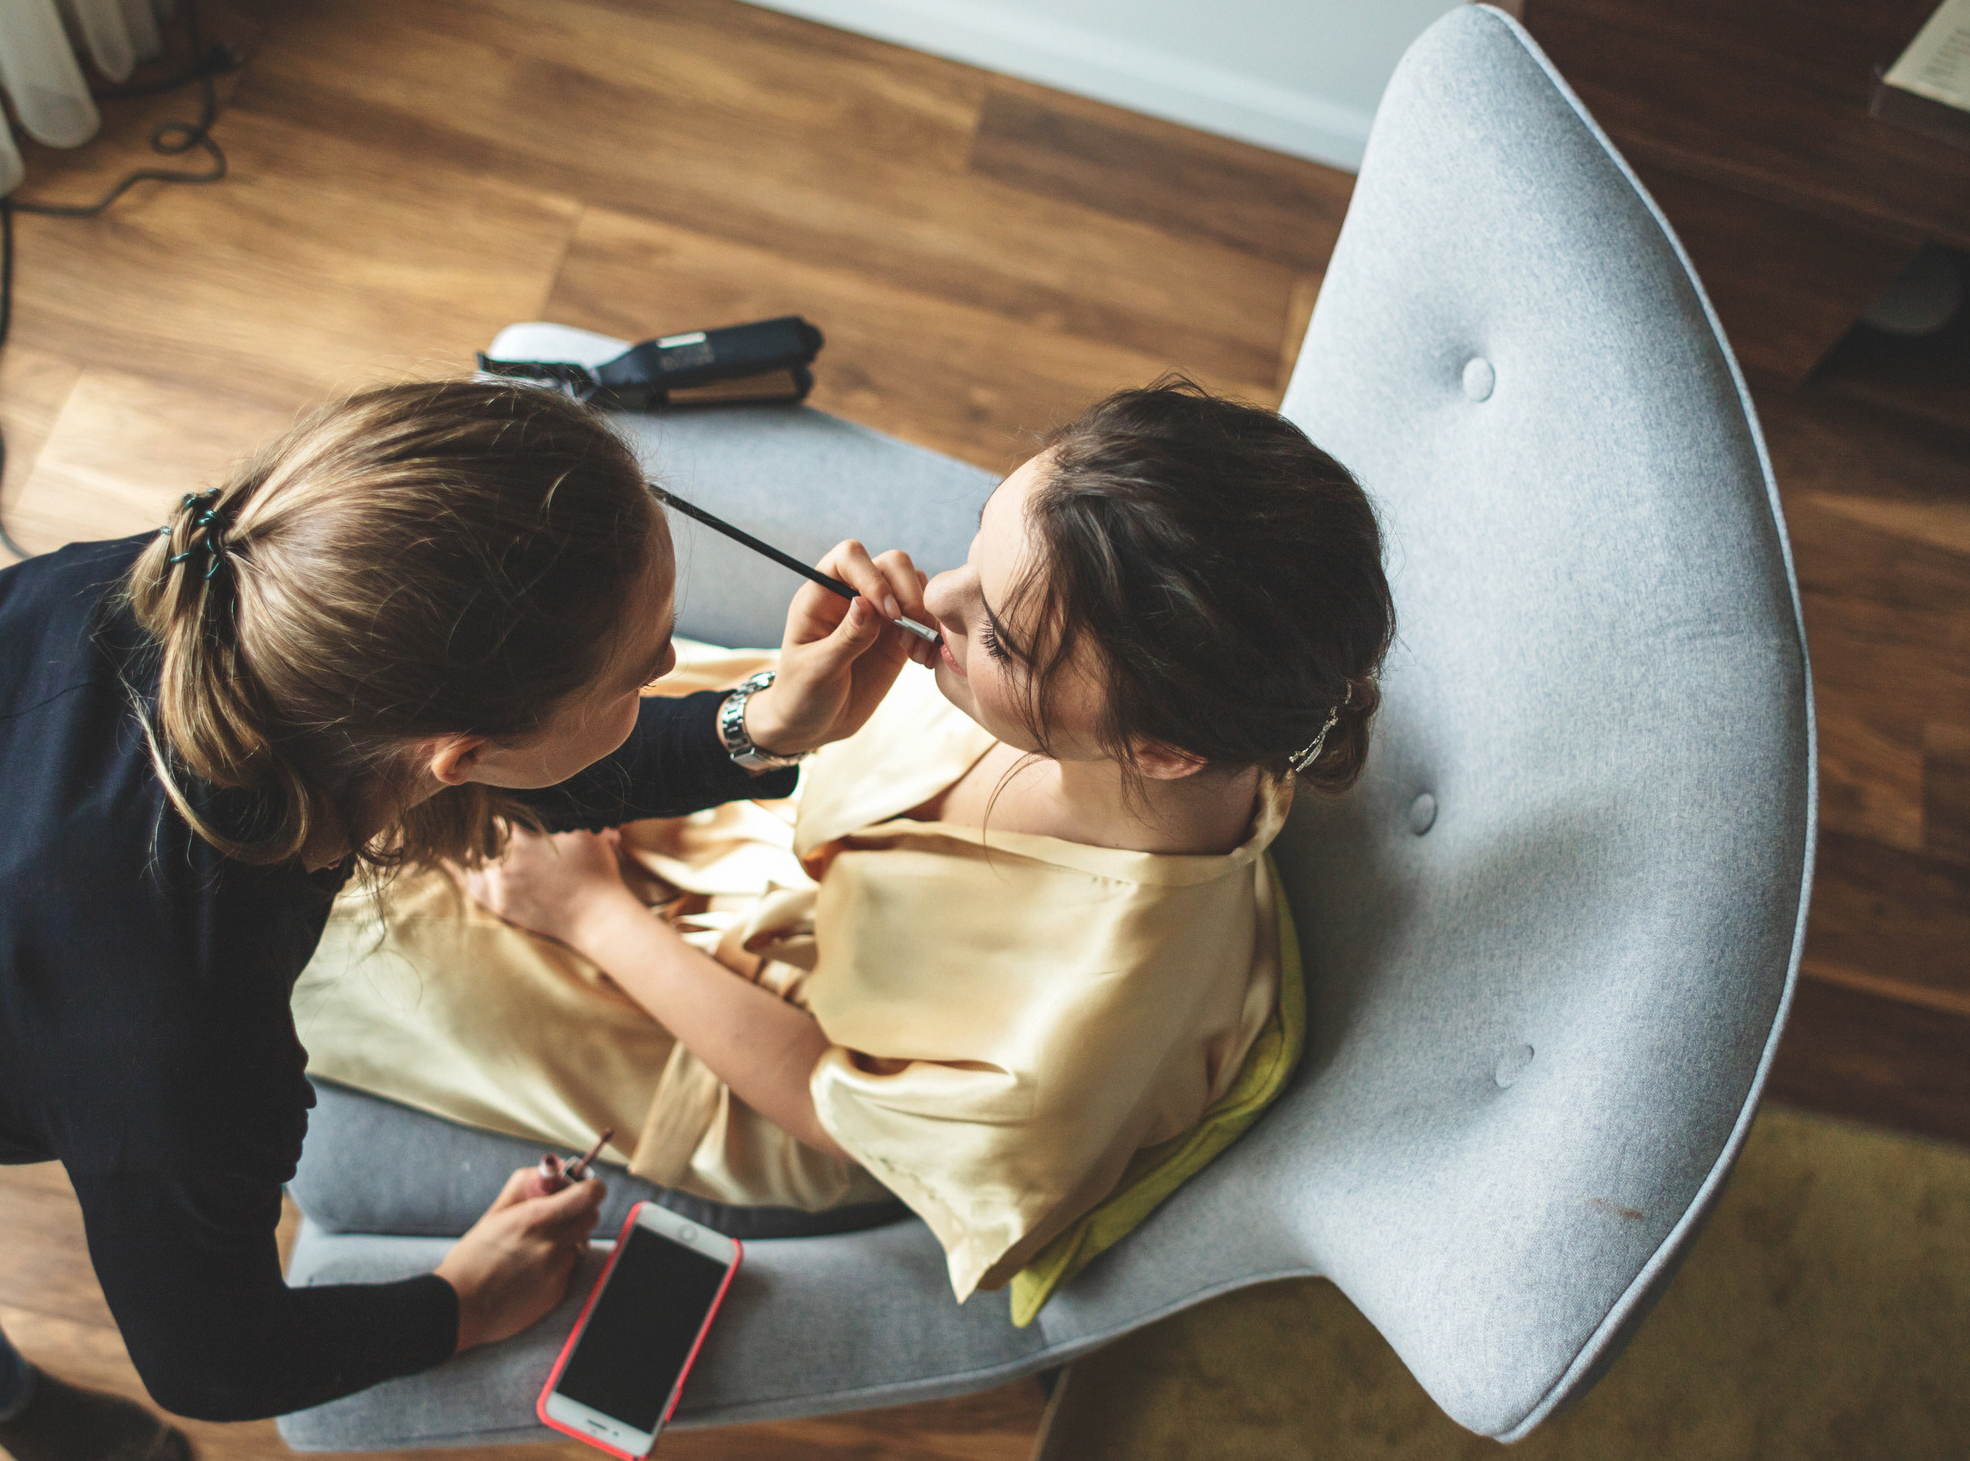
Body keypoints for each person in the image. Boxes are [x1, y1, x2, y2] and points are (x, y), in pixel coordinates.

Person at [0, 381, 932, 1461]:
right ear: (457, 755)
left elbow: (519, 755)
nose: (676, 668)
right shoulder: (186, 1035)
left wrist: (760, 722)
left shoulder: (229, 581)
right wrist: (458, 1302)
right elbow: (213, 1366)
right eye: (645, 667)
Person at [293, 380, 1394, 1318]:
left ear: (1154, 751)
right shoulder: (1123, 727)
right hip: (751, 843)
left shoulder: (1080, 1034)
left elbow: (835, 1114)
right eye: (976, 553)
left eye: (997, 632)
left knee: (332, 935)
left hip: (749, 1056)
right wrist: (780, 708)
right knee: (423, 734)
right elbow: (775, 754)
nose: (938, 593)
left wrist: (594, 917)